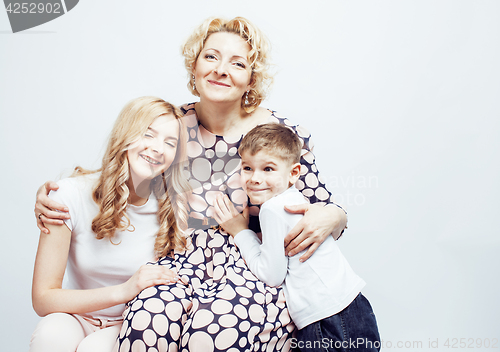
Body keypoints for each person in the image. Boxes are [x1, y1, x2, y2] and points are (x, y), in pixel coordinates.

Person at [35, 17, 349, 352]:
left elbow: (322, 212)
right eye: (211, 57)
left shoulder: (279, 134)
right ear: (195, 66)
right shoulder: (174, 123)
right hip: (178, 261)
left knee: (208, 335)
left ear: (251, 79)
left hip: (248, 266)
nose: (221, 70)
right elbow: (124, 162)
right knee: (145, 318)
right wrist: (57, 192)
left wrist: (336, 216)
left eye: (237, 63)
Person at [30, 97, 192, 352]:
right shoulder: (68, 196)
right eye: (148, 135)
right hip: (76, 315)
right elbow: (43, 298)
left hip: (131, 323)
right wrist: (125, 290)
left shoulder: (175, 207)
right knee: (51, 336)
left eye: (170, 143)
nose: (158, 148)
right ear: (126, 136)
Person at [213, 123, 380, 351]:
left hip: (325, 317)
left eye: (268, 169)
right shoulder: (293, 198)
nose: (254, 178)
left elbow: (271, 275)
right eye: (247, 168)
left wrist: (240, 231)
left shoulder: (272, 209)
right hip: (355, 305)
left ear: (294, 173)